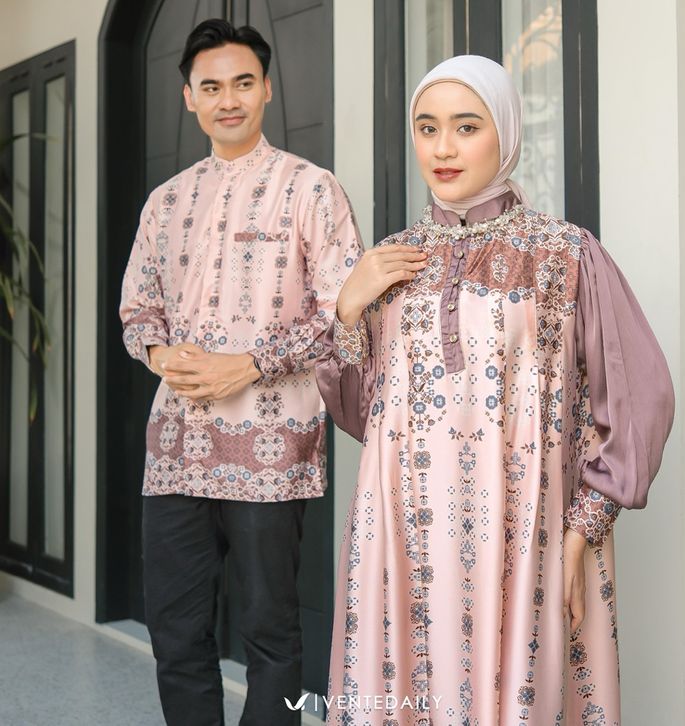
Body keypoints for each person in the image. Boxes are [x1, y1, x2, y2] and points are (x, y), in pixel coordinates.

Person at [316, 56, 674, 725]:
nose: (443, 148)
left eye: (466, 126)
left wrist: (581, 534)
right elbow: (363, 413)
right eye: (427, 128)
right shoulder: (388, 261)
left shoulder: (565, 254)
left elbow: (638, 400)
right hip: (403, 533)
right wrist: (347, 308)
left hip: (526, 532)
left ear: (505, 133)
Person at [119, 19, 363, 726]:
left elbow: (344, 312)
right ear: (189, 96)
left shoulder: (311, 190)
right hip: (175, 452)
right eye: (212, 86)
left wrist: (250, 365)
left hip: (271, 449)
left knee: (271, 635)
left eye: (243, 83)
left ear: (267, 89)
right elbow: (138, 310)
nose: (228, 100)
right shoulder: (165, 202)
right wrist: (159, 354)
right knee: (176, 634)